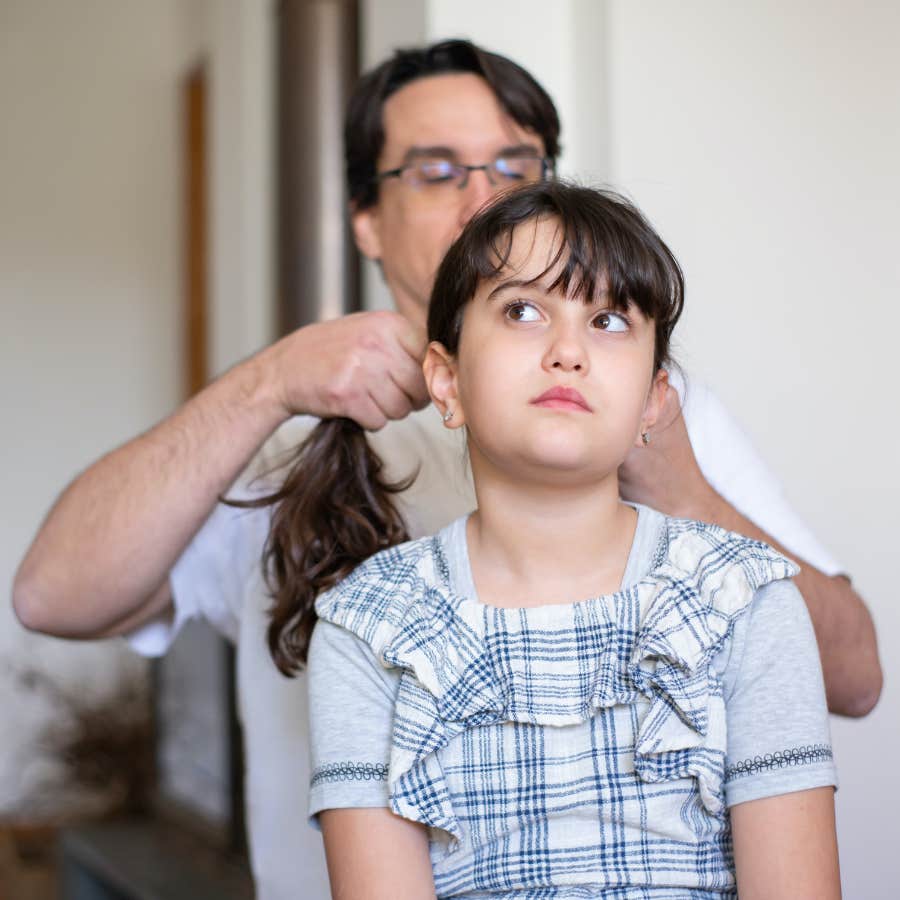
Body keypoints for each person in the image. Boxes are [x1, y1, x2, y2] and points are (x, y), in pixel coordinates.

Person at [11, 39, 875, 897]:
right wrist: (267, 385)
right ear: (364, 219)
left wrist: (674, 481)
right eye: (436, 171)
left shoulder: (662, 415)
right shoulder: (298, 459)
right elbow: (54, 595)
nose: (483, 196)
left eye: (513, 163)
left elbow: (855, 675)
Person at [306, 180, 841, 899]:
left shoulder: (747, 601)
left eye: (610, 321)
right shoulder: (368, 628)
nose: (568, 351)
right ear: (447, 381)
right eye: (523, 310)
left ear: (655, 401)